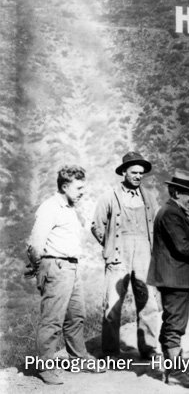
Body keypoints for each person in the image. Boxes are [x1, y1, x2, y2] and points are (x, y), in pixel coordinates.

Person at [27, 166, 106, 384]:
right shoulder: (50, 207)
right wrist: (42, 267)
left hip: (71, 267)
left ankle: (78, 358)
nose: (82, 192)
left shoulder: (69, 208)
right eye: (79, 187)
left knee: (76, 316)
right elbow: (35, 244)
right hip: (56, 267)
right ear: (64, 186)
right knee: (52, 319)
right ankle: (45, 367)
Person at [91, 152, 161, 360]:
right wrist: (110, 245)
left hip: (144, 256)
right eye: (134, 172)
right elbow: (97, 225)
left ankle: (149, 349)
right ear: (124, 172)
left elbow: (156, 225)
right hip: (118, 257)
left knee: (148, 304)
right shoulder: (109, 196)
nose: (138, 176)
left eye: (141, 173)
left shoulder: (149, 197)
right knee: (113, 304)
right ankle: (111, 352)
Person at [147, 169, 189, 389]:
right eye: (188, 192)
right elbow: (182, 246)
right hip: (174, 279)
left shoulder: (174, 212)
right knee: (175, 325)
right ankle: (175, 374)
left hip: (177, 276)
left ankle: (174, 368)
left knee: (173, 323)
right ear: (175, 191)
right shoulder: (171, 213)